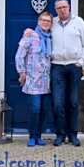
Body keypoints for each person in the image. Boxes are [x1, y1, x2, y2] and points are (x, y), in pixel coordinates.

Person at [50, 0, 84, 147]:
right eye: (59, 8)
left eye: (64, 7)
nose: (62, 10)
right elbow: (40, 33)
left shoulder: (78, 22)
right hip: (57, 67)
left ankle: (73, 135)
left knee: (73, 102)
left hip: (74, 66)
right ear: (56, 10)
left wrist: (81, 62)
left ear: (69, 7)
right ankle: (60, 135)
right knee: (58, 104)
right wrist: (28, 33)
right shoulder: (52, 23)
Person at [15, 11, 53, 147]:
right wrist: (22, 72)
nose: (45, 22)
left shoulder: (51, 38)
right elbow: (19, 56)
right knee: (35, 109)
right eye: (43, 20)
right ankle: (32, 136)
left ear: (51, 23)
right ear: (38, 21)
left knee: (44, 110)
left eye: (48, 21)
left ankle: (39, 136)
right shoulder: (29, 36)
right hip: (32, 81)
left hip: (47, 83)